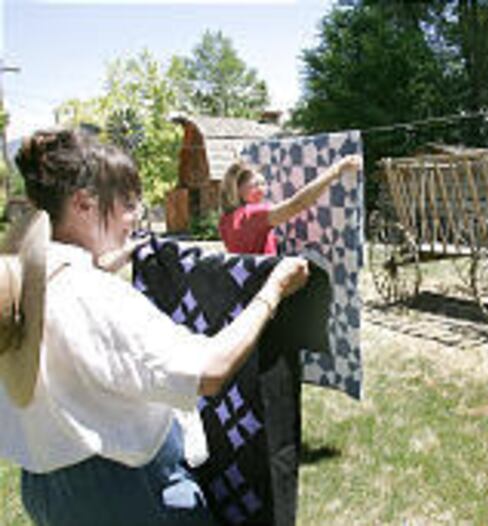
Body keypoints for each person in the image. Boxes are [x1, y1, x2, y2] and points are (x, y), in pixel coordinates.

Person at [0, 128, 309, 525]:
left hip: (49, 492)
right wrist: (272, 291)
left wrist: (101, 264)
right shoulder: (97, 298)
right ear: (84, 204)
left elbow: (61, 318)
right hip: (130, 496)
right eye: (127, 205)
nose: (133, 219)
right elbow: (210, 369)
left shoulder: (20, 284)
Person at [218, 154, 361, 255]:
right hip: (261, 282)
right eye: (255, 185)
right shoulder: (252, 214)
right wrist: (337, 169)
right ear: (237, 189)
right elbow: (297, 204)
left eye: (263, 184)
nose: (262, 190)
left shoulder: (225, 219)